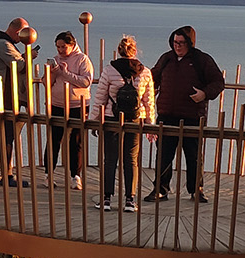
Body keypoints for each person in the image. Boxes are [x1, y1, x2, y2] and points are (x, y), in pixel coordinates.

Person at [145, 24, 226, 203]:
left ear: (190, 43)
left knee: (194, 155)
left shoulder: (202, 60)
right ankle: (160, 190)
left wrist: (204, 94)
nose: (177, 46)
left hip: (193, 115)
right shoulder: (166, 59)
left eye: (181, 42)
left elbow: (218, 82)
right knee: (163, 155)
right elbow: (152, 78)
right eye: (175, 42)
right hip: (166, 115)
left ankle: (196, 190)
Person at [90, 35, 155, 212]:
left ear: (119, 51)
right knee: (131, 160)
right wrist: (150, 124)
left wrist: (94, 120)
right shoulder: (145, 72)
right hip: (135, 120)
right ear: (134, 51)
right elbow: (149, 102)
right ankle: (130, 200)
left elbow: (100, 98)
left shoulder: (109, 70)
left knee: (110, 160)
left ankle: (106, 199)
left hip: (112, 119)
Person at [0, 17, 35, 185]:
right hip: (4, 93)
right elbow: (19, 66)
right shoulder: (3, 45)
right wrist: (30, 56)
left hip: (1, 91)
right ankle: (7, 176)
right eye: (22, 35)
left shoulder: (1, 44)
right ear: (17, 32)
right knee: (7, 134)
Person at [44, 31, 94, 190]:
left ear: (72, 45)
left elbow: (86, 81)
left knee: (76, 141)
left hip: (77, 105)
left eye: (63, 47)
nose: (60, 50)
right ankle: (48, 174)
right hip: (57, 104)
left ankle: (75, 176)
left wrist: (65, 73)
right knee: (53, 140)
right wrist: (51, 74)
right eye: (58, 47)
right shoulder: (56, 60)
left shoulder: (82, 59)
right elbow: (46, 83)